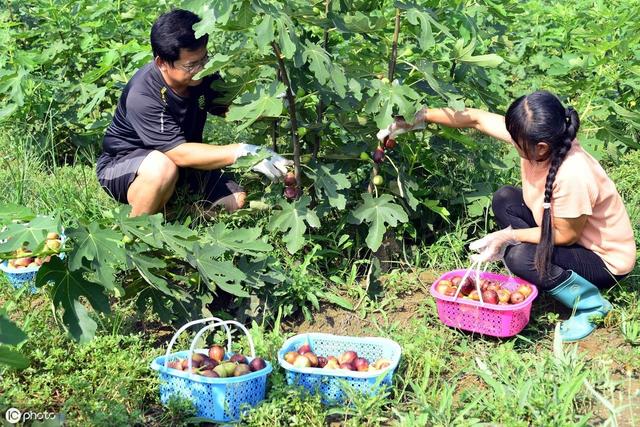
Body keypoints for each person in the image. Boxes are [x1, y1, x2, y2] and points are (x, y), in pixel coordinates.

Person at [379, 90, 636, 341]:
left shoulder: (573, 174)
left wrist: (509, 236)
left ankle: (590, 305)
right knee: (505, 198)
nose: (512, 143)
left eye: (516, 141)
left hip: (602, 260)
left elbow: (566, 235)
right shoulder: (539, 139)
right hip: (567, 235)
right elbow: (476, 118)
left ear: (542, 147)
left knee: (521, 256)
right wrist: (420, 117)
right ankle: (545, 272)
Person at [96, 9, 290, 217]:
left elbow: (230, 109)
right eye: (191, 65)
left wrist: (275, 103)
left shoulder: (204, 73)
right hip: (126, 166)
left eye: (204, 59)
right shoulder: (143, 94)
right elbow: (177, 152)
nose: (201, 69)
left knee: (236, 201)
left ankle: (173, 213)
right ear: (161, 63)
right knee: (161, 168)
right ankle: (137, 231)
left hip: (183, 168)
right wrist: (241, 151)